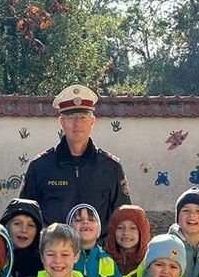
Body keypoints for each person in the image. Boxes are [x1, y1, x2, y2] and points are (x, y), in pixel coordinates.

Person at [20, 84, 131, 231]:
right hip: (54, 251)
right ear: (61, 122)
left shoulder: (111, 167)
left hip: (98, 252)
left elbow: (123, 218)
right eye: (71, 117)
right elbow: (24, 217)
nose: (77, 123)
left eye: (83, 117)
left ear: (92, 122)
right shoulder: (40, 166)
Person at [0, 197, 45, 277]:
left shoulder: (44, 262)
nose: (24, 230)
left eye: (31, 225)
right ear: (6, 226)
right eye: (17, 223)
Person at [105, 203, 152, 277]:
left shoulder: (150, 261)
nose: (126, 233)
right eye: (120, 228)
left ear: (143, 232)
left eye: (133, 228)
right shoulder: (103, 260)